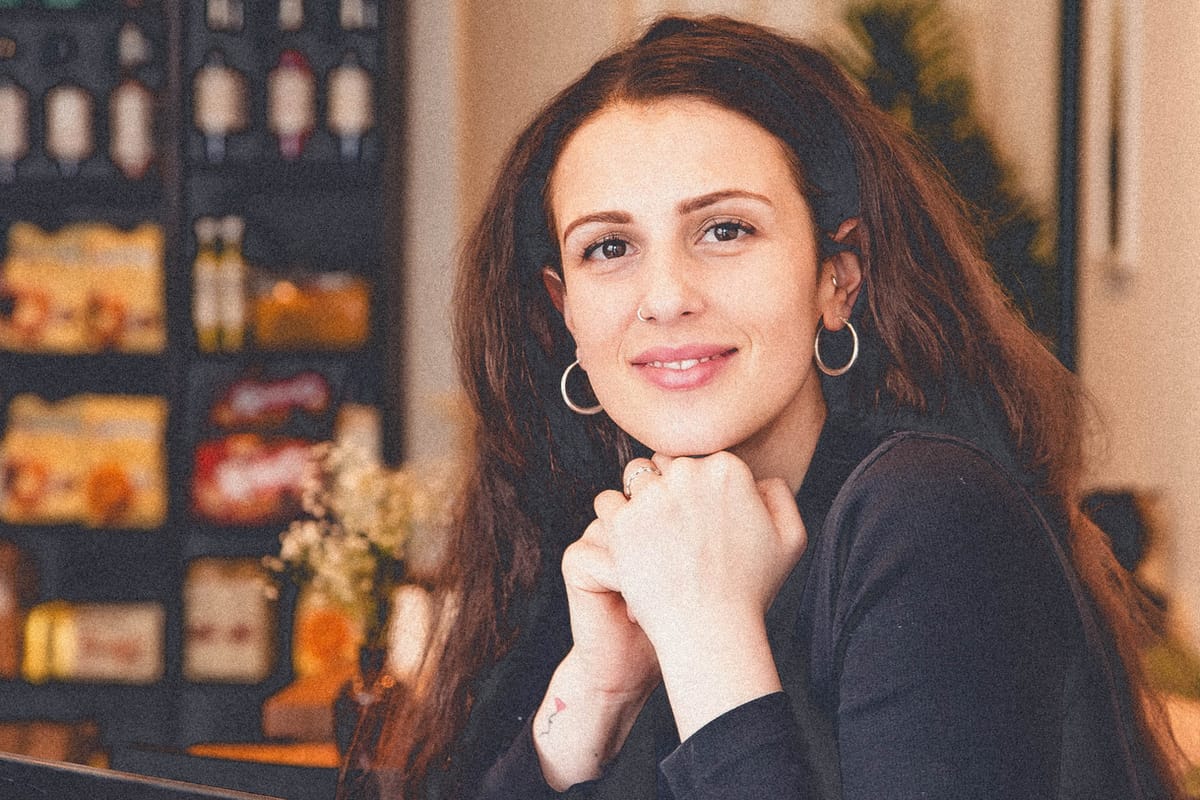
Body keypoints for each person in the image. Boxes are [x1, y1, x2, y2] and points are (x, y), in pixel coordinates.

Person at [342, 14, 1185, 800]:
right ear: (563, 309)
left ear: (836, 278)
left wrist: (712, 639)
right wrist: (592, 699)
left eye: (725, 231)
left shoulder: (928, 515)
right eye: (609, 248)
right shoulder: (614, 541)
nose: (665, 296)